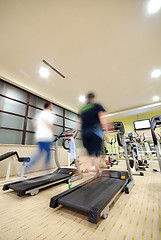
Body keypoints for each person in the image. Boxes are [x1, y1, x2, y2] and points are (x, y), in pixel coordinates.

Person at [78, 92, 113, 171]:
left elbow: (78, 121)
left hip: (84, 133)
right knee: (97, 153)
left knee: (88, 154)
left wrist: (76, 131)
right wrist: (107, 128)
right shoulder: (97, 105)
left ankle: (82, 168)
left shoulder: (82, 108)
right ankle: (98, 172)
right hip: (95, 132)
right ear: (93, 98)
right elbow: (103, 116)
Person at [26, 102, 55, 171]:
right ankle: (47, 169)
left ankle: (26, 167)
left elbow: (33, 121)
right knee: (47, 153)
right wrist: (51, 127)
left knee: (40, 153)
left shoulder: (40, 114)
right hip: (46, 137)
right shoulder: (49, 113)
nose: (52, 107)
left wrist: (38, 128)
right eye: (51, 106)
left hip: (39, 137)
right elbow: (50, 123)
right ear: (49, 106)